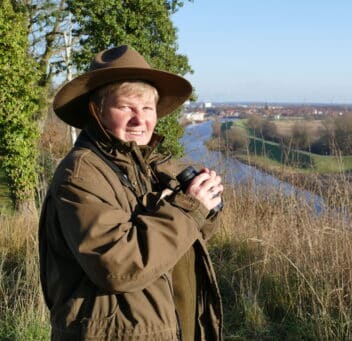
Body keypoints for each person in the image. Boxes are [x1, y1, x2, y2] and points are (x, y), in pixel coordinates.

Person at [39, 45, 223, 340]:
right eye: (126, 107)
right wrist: (187, 209)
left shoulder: (148, 166)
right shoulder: (82, 174)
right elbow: (118, 266)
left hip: (166, 327)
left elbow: (179, 240)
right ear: (96, 110)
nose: (140, 120)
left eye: (147, 108)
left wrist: (205, 203)